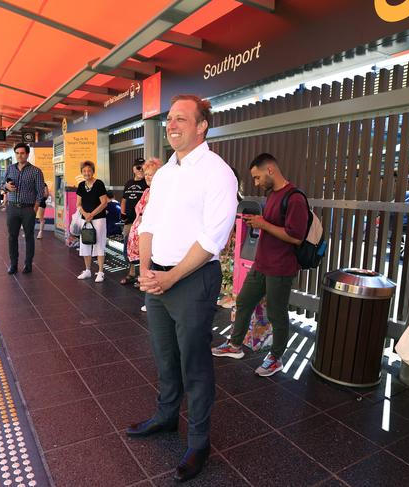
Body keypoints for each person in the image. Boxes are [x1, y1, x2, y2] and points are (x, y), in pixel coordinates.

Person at [126, 95, 237, 482]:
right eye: (169, 119)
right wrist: (144, 269)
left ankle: (199, 441)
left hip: (191, 281)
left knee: (195, 364)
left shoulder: (218, 173)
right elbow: (148, 224)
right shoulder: (168, 172)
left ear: (202, 125)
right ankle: (166, 416)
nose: (172, 125)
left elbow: (213, 239)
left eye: (181, 119)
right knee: (164, 357)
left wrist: (169, 277)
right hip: (156, 277)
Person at [212, 153, 309, 376]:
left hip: (281, 268)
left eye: (257, 177)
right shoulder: (274, 195)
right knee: (244, 301)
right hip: (262, 264)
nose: (256, 183)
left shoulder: (294, 198)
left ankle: (276, 358)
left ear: (270, 170)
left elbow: (296, 237)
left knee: (277, 313)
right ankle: (235, 345)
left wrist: (262, 223)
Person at [126, 157, 163, 311]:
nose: (148, 176)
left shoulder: (161, 192)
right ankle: (152, 300)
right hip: (143, 235)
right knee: (149, 268)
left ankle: (153, 301)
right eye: (146, 174)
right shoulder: (147, 191)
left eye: (152, 174)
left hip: (156, 237)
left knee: (153, 268)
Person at [3, 143, 45, 275]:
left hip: (28, 209)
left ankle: (28, 264)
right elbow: (2, 184)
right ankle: (13, 264)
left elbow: (40, 192)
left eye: (22, 153)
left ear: (27, 154)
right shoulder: (10, 168)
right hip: (13, 208)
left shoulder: (36, 171)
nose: (19, 155)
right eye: (17, 153)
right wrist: (6, 187)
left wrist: (35, 208)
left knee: (29, 237)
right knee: (12, 237)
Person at [75, 161, 108, 283]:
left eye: (89, 170)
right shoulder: (81, 185)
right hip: (86, 219)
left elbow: (104, 202)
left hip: (98, 219)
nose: (86, 173)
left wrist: (92, 214)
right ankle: (87, 270)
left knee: (99, 243)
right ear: (82, 172)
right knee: (85, 244)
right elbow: (78, 204)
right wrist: (85, 214)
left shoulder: (99, 184)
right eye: (84, 171)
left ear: (93, 171)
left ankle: (100, 272)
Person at [120, 158, 147, 285]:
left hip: (143, 223)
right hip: (129, 222)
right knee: (128, 249)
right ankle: (131, 273)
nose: (140, 170)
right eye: (138, 167)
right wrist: (123, 213)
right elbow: (124, 199)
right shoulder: (129, 183)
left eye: (143, 167)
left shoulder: (147, 183)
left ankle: (141, 276)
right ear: (133, 169)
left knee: (142, 249)